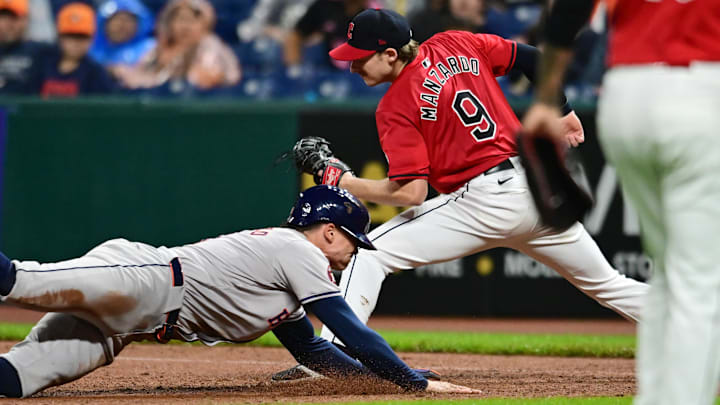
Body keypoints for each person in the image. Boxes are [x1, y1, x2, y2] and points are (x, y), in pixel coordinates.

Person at [275, 7, 650, 379]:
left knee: (368, 254)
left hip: (485, 200)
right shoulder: (456, 42)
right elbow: (532, 57)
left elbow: (410, 193)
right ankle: (701, 324)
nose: (353, 67)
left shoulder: (394, 105)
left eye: (360, 58)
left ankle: (332, 363)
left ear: (390, 54)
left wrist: (338, 179)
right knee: (609, 284)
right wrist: (562, 109)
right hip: (534, 192)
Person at [0, 185, 477, 398]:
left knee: (16, 380)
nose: (354, 254)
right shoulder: (298, 251)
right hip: (144, 277)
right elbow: (348, 329)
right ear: (330, 231)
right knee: (20, 282)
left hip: (129, 326)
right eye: (354, 242)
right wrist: (408, 381)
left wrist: (380, 379)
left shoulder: (288, 279)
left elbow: (313, 351)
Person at [520, 2, 720, 405]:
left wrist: (545, 99)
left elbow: (568, 11)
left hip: (626, 94)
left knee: (669, 273)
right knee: (699, 280)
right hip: (702, 85)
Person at [112, 0, 240, 90]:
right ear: (170, 23)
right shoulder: (156, 49)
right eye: (180, 19)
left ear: (204, 24)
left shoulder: (211, 46)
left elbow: (208, 78)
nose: (185, 26)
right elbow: (137, 78)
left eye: (192, 20)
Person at [25, 2, 116, 97]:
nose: (75, 42)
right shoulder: (43, 64)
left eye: (82, 36)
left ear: (91, 39)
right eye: (70, 35)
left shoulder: (95, 72)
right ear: (59, 37)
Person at [0, 0, 50, 94]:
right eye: (3, 17)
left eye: (14, 18)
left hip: (25, 107)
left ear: (26, 20)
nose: (7, 24)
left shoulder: (42, 51)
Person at [89, 0, 156, 69]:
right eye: (117, 20)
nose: (122, 27)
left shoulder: (149, 49)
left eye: (128, 21)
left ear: (139, 25)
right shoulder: (91, 47)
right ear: (105, 23)